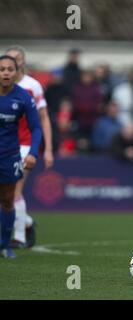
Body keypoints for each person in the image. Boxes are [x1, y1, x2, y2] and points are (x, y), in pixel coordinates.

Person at [5, 46, 54, 248]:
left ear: (22, 62)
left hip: (24, 146)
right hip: (5, 146)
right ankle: (26, 221)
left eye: (16, 59)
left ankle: (19, 238)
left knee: (15, 191)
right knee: (5, 194)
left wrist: (48, 149)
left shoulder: (31, 86)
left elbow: (42, 119)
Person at [0, 55, 42, 258]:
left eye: (10, 69)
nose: (6, 72)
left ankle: (6, 245)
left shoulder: (23, 96)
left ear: (16, 73)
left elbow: (36, 127)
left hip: (9, 156)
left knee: (8, 200)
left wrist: (33, 152)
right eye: (2, 69)